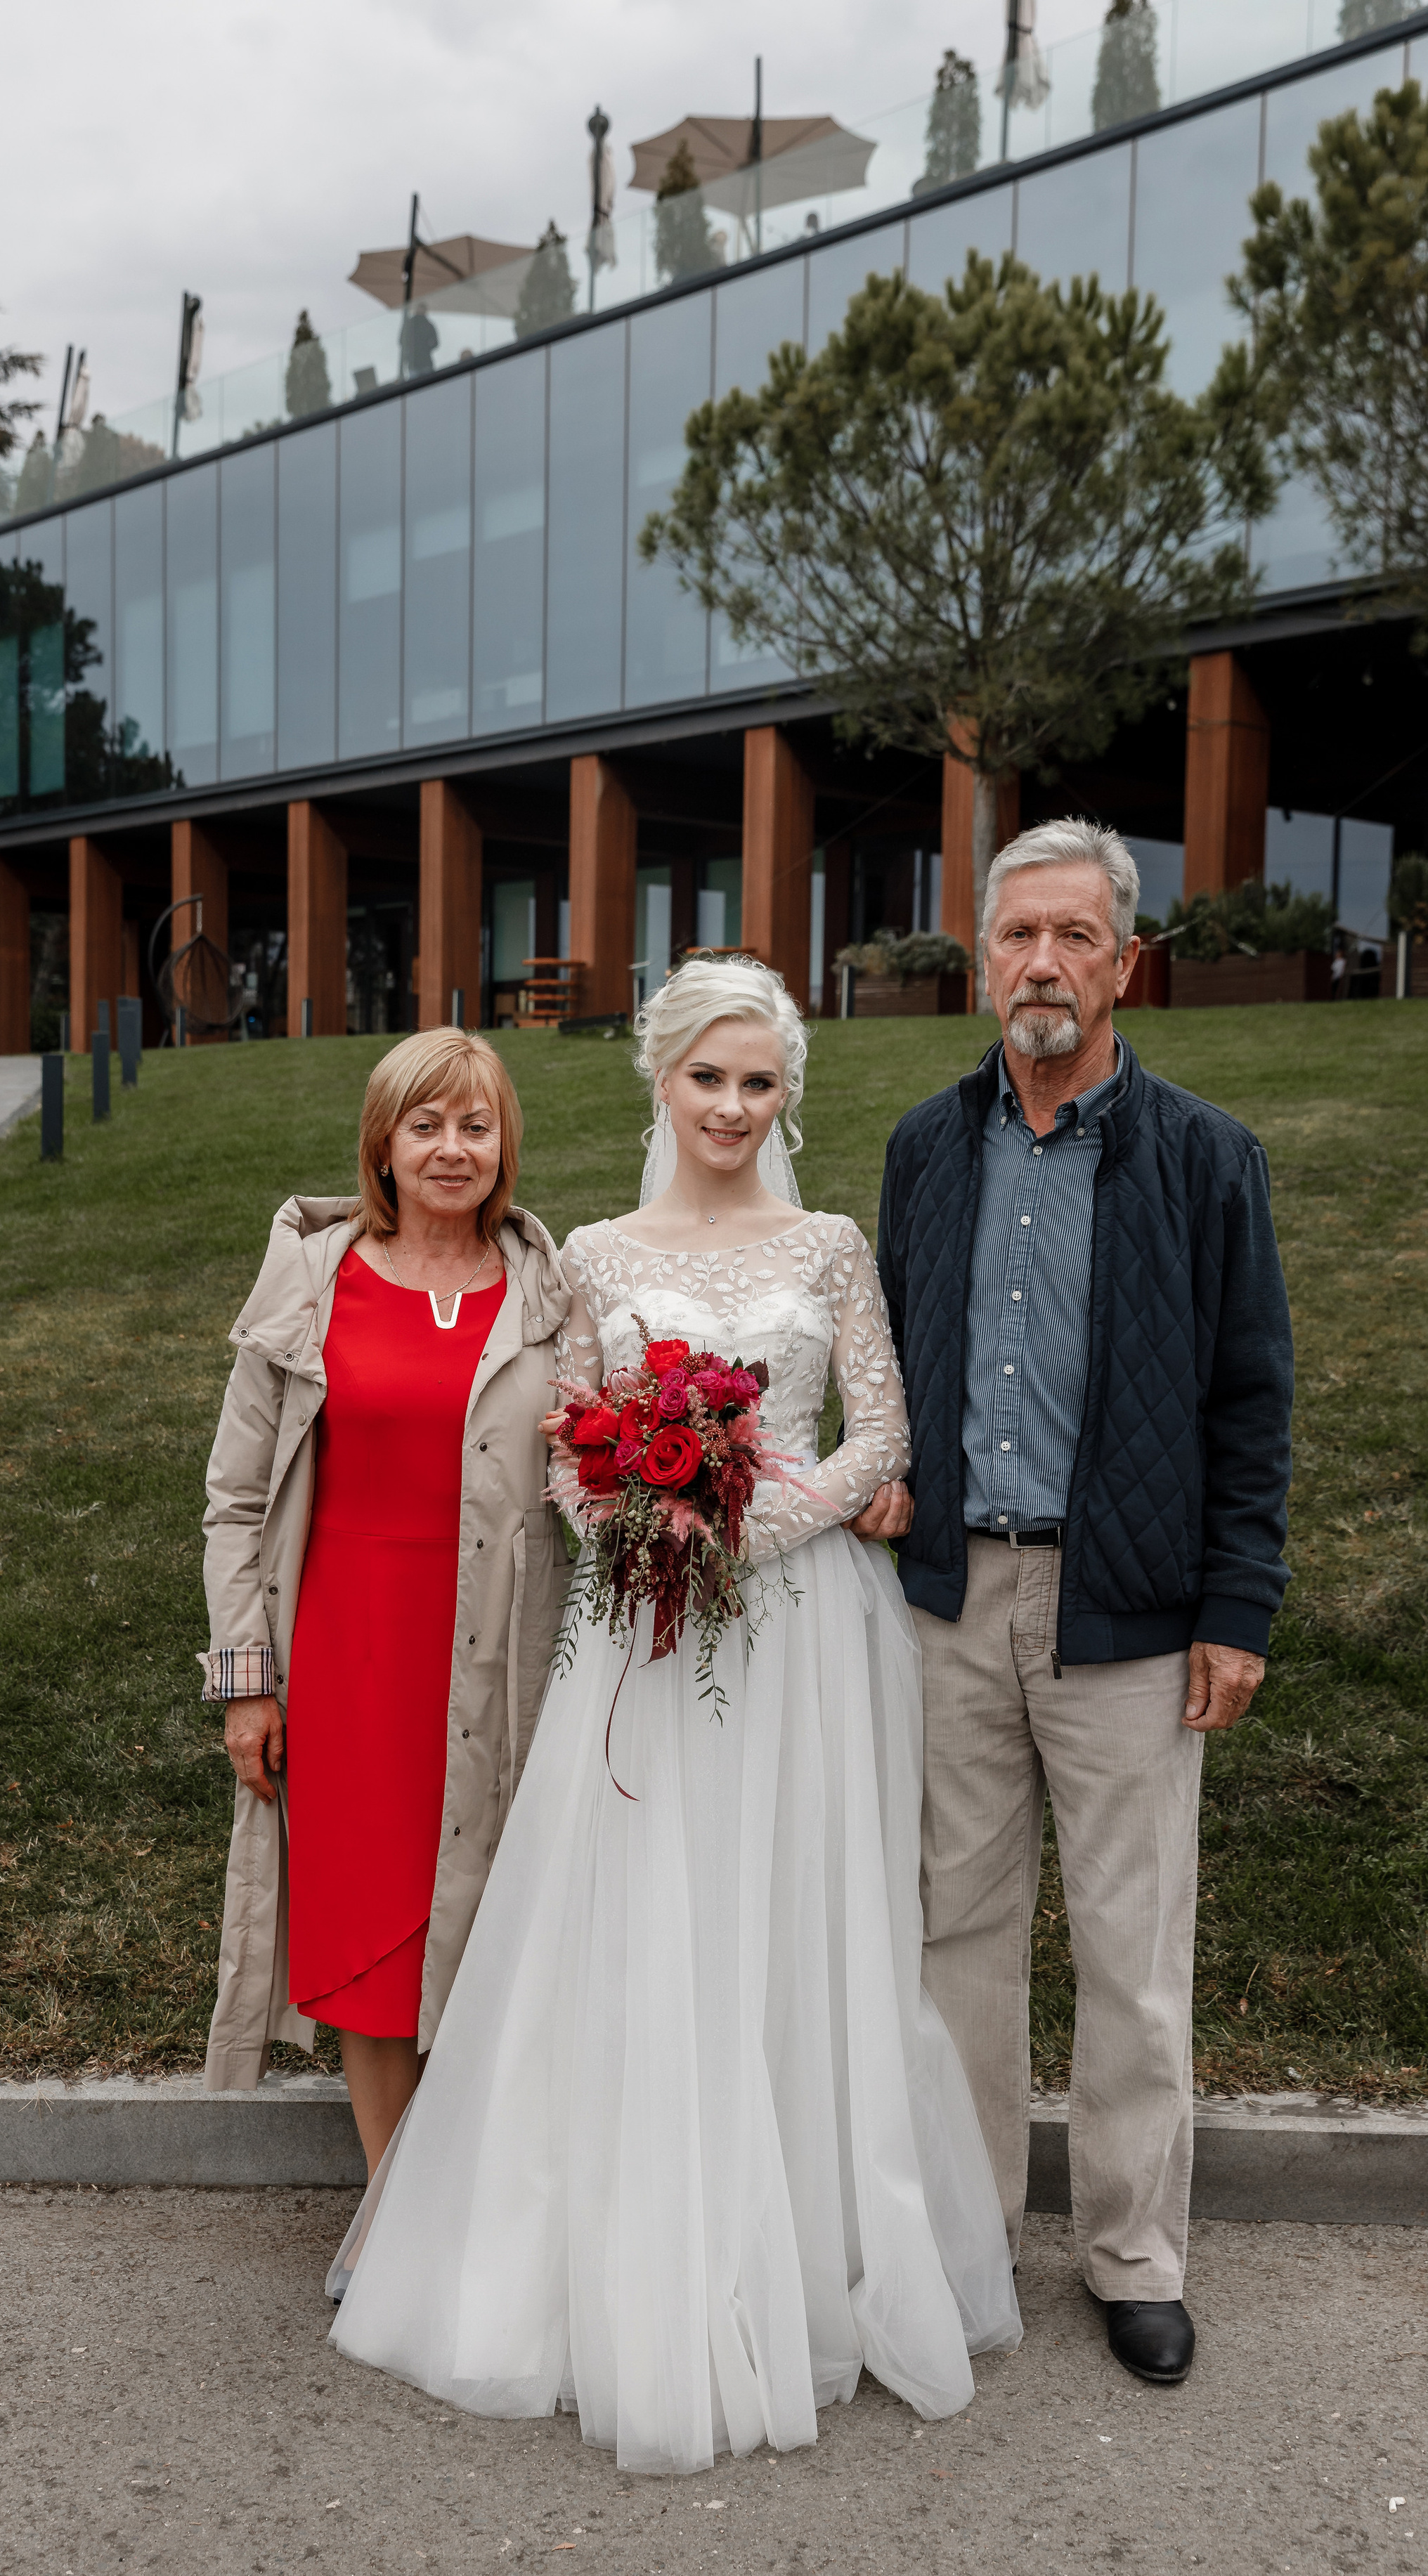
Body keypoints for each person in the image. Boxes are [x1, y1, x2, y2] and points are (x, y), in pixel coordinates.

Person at [330, 957, 1020, 2476]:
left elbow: (881, 1432)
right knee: (640, 1910)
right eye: (708, 1077)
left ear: (786, 1097)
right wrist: (641, 1525)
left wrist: (748, 1530)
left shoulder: (830, 1245)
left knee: (794, 1909)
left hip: (802, 1631)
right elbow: (570, 1444)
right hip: (644, 1629)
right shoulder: (593, 1252)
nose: (730, 1106)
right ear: (662, 1081)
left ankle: (811, 2244)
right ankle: (627, 2250)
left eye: (757, 1082)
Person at [870, 816, 1293, 2390]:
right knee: (956, 1942)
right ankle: (968, 2237)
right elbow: (887, 1355)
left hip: (1127, 1611)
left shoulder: (1204, 1157)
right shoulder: (926, 1147)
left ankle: (1132, 2256)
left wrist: (1236, 1606)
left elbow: (1250, 1400)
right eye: (1016, 935)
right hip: (949, 1606)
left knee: (1131, 1954)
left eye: (1074, 937)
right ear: (982, 956)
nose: (1041, 963)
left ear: (1126, 962)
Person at [198, 1030, 571, 2178]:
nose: (452, 1149)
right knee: (371, 1930)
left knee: (494, 1916)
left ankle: (480, 2194)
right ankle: (393, 2202)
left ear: (505, 1145)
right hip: (350, 1652)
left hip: (502, 1648)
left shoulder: (553, 1292)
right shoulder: (314, 1281)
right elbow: (236, 1500)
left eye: (476, 1126)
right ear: (383, 1145)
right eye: (426, 1125)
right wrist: (245, 1684)